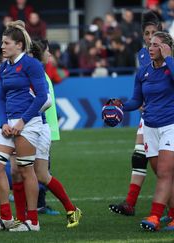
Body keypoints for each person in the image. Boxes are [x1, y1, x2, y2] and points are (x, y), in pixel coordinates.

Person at [0, 20, 49, 232]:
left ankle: (32, 221)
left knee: (24, 169)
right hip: (9, 122)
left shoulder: (32, 65)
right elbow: (1, 98)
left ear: (19, 45)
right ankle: (6, 217)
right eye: (2, 43)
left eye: (6, 43)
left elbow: (42, 96)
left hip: (29, 122)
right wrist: (3, 122)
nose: (2, 46)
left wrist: (22, 121)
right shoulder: (4, 67)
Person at [115, 31, 174, 232]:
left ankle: (155, 216)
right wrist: (120, 105)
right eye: (150, 44)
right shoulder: (143, 72)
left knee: (166, 172)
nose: (150, 48)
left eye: (156, 45)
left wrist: (169, 59)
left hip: (170, 126)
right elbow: (137, 101)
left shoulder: (171, 67)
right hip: (149, 127)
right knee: (163, 174)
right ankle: (173, 215)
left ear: (166, 48)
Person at [108, 10, 162, 217]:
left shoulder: (170, 55)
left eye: (153, 33)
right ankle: (130, 203)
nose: (150, 37)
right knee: (140, 156)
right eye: (147, 33)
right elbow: (144, 86)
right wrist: (127, 104)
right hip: (150, 115)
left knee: (163, 168)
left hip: (167, 117)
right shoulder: (142, 54)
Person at [29, 39, 81, 227]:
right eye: (48, 51)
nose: (50, 55)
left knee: (35, 174)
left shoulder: (38, 75)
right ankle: (29, 215)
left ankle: (29, 216)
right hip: (38, 129)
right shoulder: (39, 73)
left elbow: (43, 104)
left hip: (37, 129)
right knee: (34, 173)